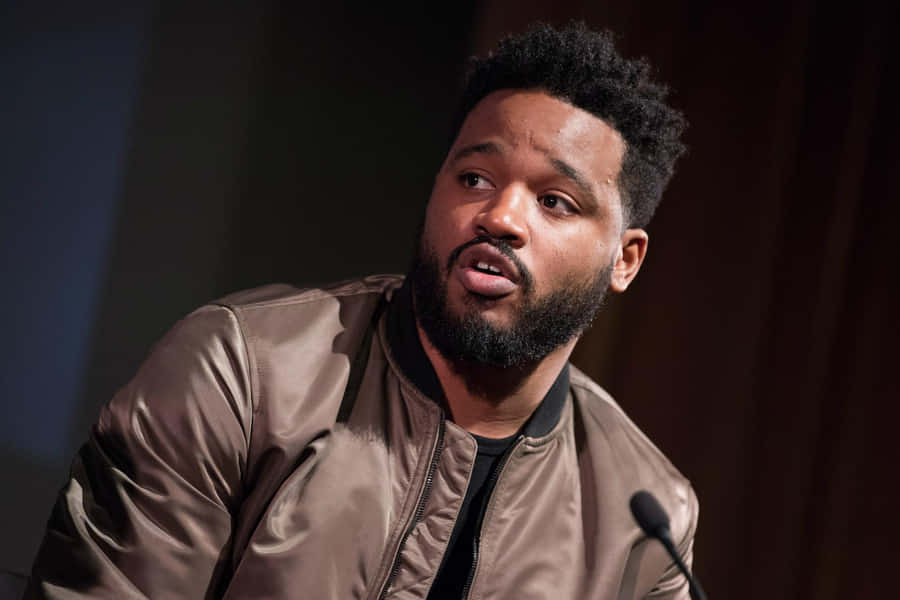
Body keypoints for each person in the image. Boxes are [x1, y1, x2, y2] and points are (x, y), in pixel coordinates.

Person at [27, 22, 697, 599]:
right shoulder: (242, 376)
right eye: (474, 179)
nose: (499, 216)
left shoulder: (647, 515)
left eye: (555, 201)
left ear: (625, 260)